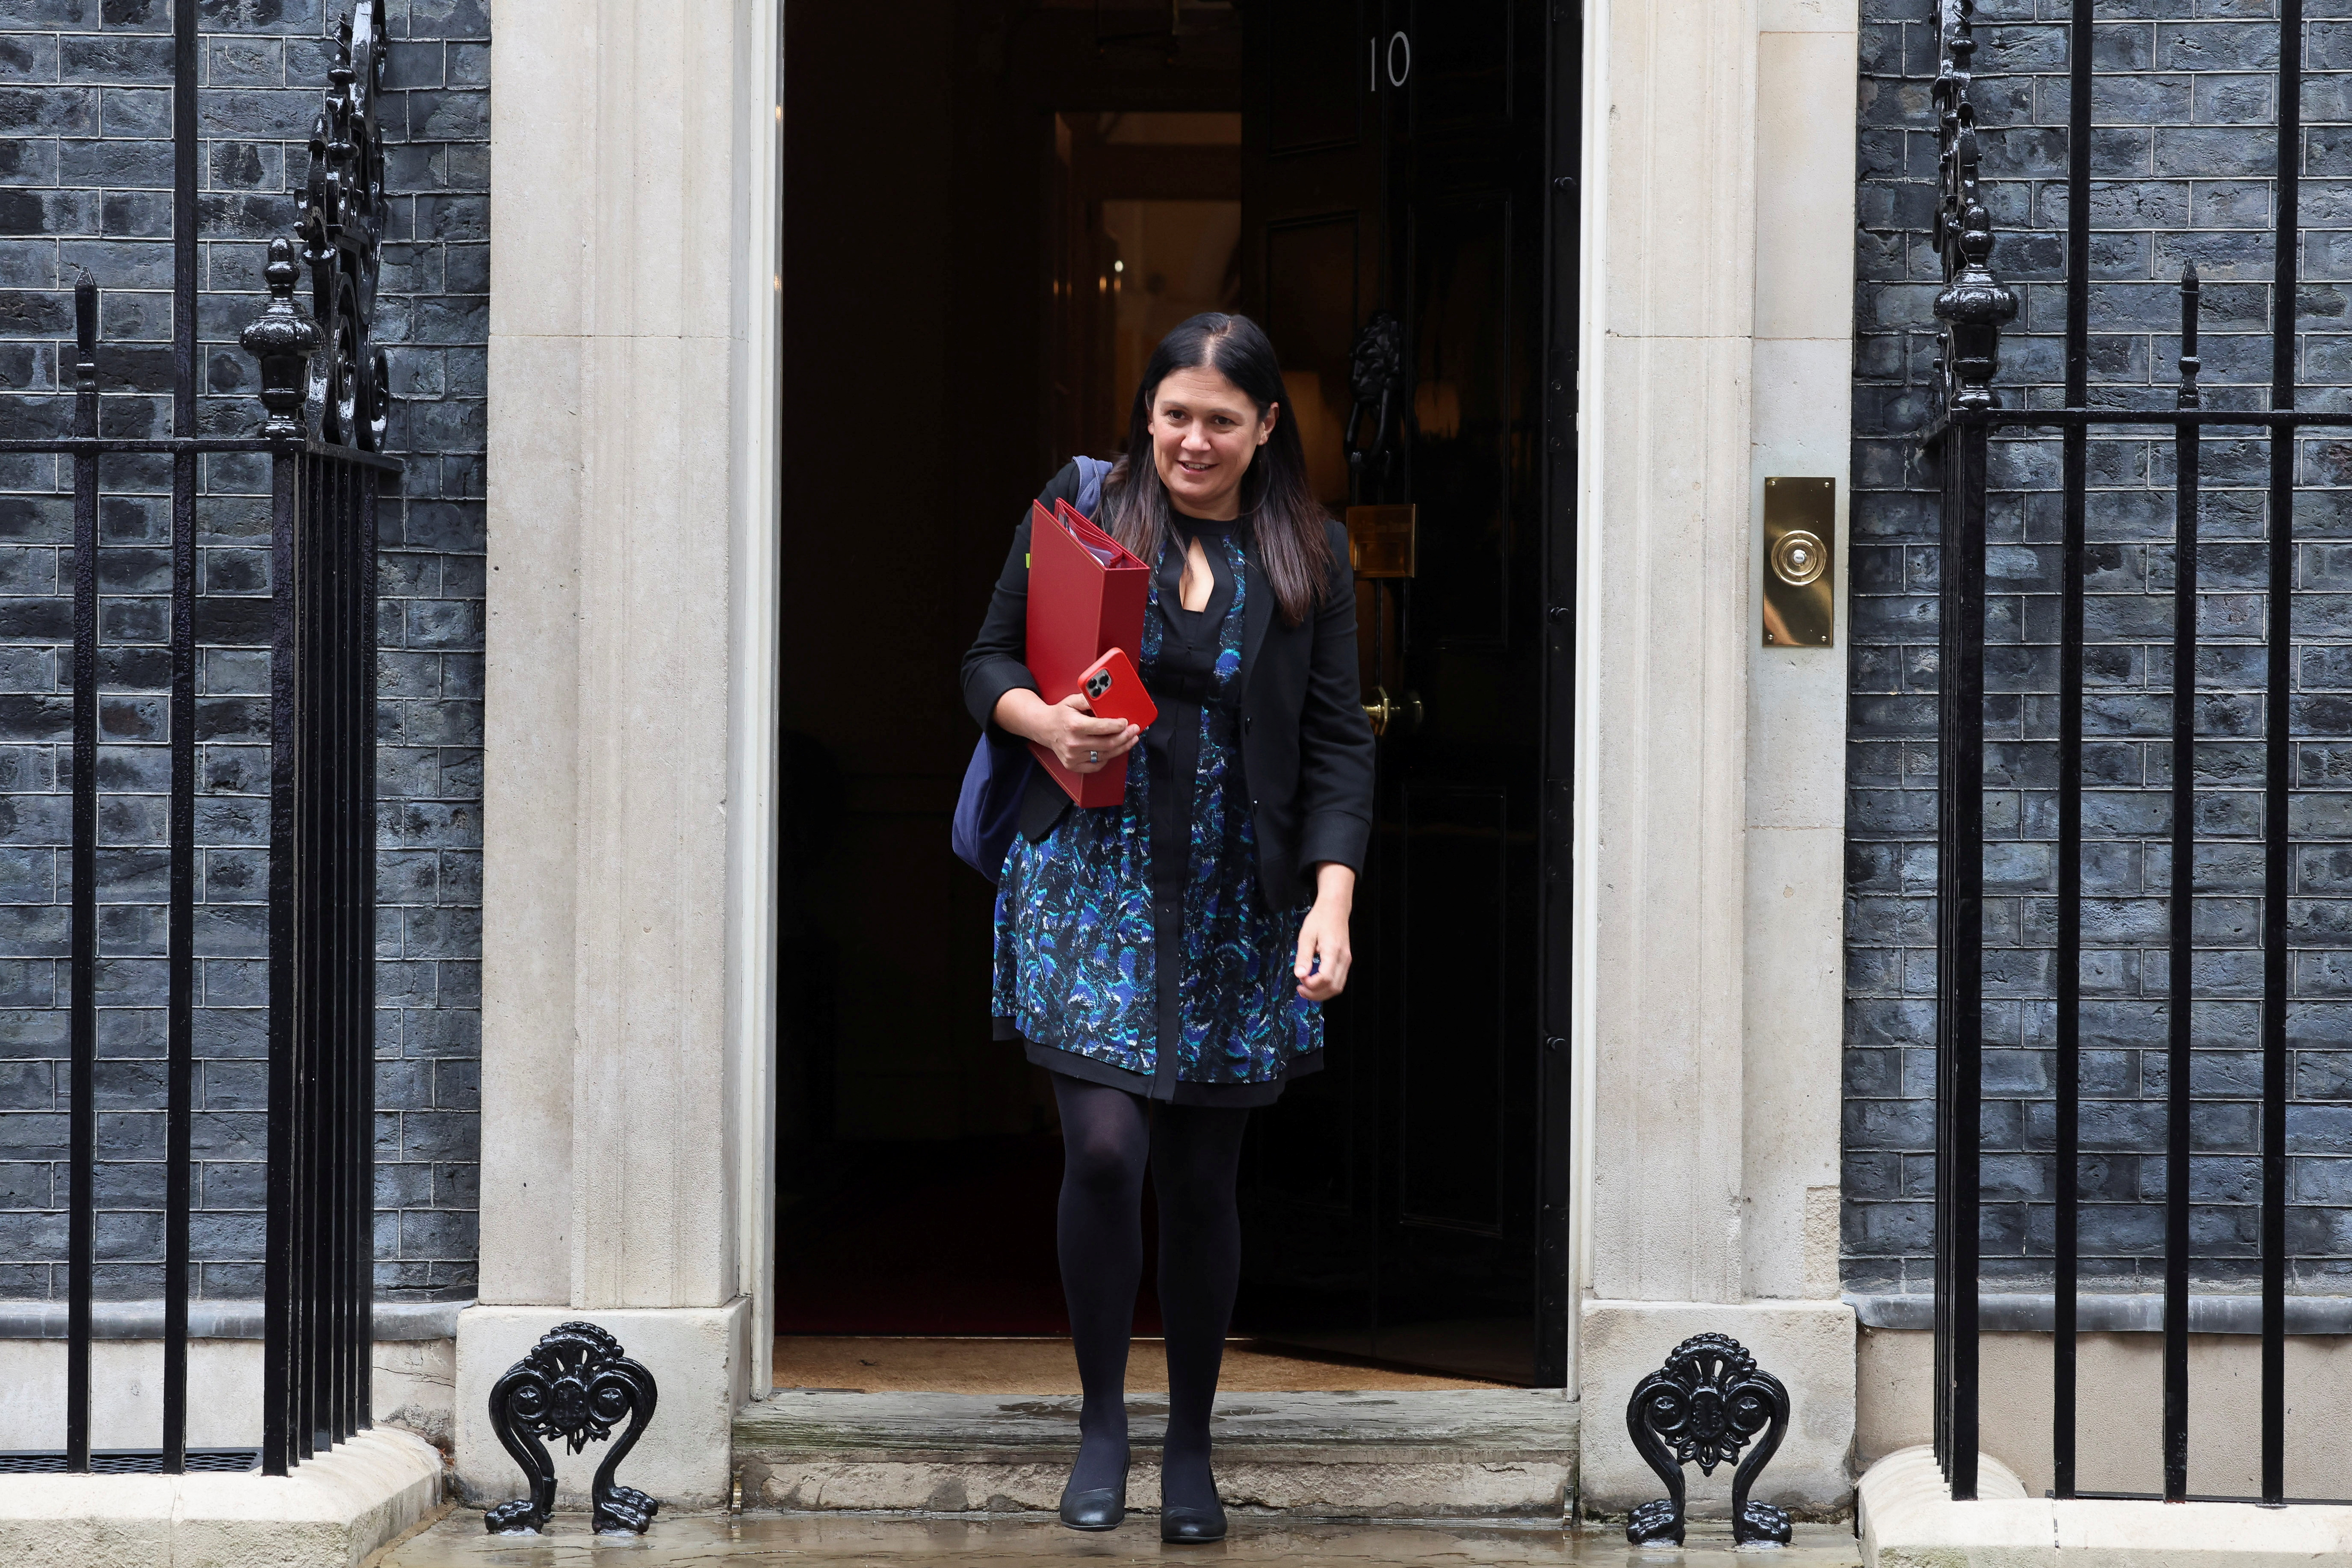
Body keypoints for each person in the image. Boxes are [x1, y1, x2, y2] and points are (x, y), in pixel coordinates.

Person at [961, 313, 1375, 1543]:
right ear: (1146, 412)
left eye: (1222, 420)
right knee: (1102, 1152)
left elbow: (1339, 742)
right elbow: (984, 659)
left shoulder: (1310, 551)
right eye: (1175, 413)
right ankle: (1102, 1420)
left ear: (1262, 430)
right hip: (1086, 877)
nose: (1194, 439)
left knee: (1200, 1183)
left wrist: (1331, 901)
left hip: (1236, 902)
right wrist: (1042, 723)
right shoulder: (1080, 509)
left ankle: (1188, 1441)